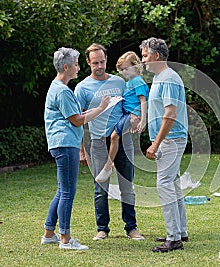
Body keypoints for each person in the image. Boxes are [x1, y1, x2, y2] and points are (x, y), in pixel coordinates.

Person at [42, 47, 110, 250]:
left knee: (62, 190)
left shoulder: (59, 88)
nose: (79, 68)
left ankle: (49, 233)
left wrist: (96, 109)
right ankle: (65, 239)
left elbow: (76, 114)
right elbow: (77, 120)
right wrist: (100, 109)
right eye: (76, 65)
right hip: (65, 144)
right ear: (66, 67)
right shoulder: (62, 91)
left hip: (61, 143)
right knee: (67, 192)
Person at [75, 43, 144, 241]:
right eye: (95, 62)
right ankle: (102, 228)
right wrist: (81, 150)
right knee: (100, 187)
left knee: (127, 185)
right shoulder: (82, 88)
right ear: (88, 63)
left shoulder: (120, 83)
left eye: (102, 61)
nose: (99, 66)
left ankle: (131, 227)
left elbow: (132, 105)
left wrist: (137, 118)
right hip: (97, 142)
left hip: (123, 139)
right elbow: (78, 120)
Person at [140, 37, 189, 252]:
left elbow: (170, 114)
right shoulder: (162, 77)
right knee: (173, 184)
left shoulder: (168, 78)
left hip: (170, 140)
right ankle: (180, 232)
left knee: (165, 185)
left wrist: (156, 144)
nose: (143, 60)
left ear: (156, 55)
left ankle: (174, 238)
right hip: (170, 140)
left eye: (145, 55)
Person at [95, 51, 149, 183]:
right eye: (122, 69)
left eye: (127, 68)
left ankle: (108, 167)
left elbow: (143, 101)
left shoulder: (137, 81)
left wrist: (142, 120)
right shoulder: (130, 82)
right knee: (116, 137)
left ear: (136, 66)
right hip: (127, 115)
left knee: (114, 137)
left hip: (132, 115)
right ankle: (111, 163)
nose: (124, 72)